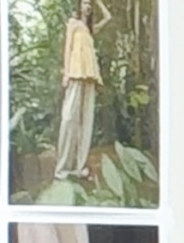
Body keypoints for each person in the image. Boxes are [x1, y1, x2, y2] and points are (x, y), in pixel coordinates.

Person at [55, 0, 112, 181]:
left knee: (86, 122)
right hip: (75, 73)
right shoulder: (74, 24)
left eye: (89, 4)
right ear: (79, 6)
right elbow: (68, 49)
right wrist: (66, 73)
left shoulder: (89, 29)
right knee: (68, 118)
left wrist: (98, 2)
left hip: (90, 76)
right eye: (85, 3)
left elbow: (108, 17)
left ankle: (80, 168)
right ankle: (62, 169)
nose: (87, 6)